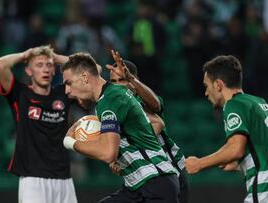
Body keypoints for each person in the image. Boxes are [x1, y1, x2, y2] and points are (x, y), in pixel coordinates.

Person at [184, 55, 268, 202]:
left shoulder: (234, 105)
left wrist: (200, 163)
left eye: (207, 86)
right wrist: (241, 163)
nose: (206, 93)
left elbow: (235, 149)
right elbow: (267, 149)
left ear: (218, 85)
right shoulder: (260, 103)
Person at [62, 52, 180, 202]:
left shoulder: (111, 99)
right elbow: (153, 124)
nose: (67, 91)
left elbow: (107, 153)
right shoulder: (111, 97)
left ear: (85, 77)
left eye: (68, 83)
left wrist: (70, 142)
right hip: (138, 186)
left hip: (155, 183)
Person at [0, 45, 78, 203]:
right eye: (39, 65)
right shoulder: (20, 94)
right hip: (32, 179)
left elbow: (94, 70)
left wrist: (55, 57)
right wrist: (24, 54)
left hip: (64, 178)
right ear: (29, 71)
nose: (45, 69)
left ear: (54, 70)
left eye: (49, 65)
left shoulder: (64, 93)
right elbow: (0, 65)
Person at [106, 52, 189, 203]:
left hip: (169, 171)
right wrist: (115, 160)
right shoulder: (112, 108)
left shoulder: (143, 101)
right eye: (113, 81)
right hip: (142, 178)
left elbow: (157, 112)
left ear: (134, 80)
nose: (117, 85)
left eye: (122, 80)